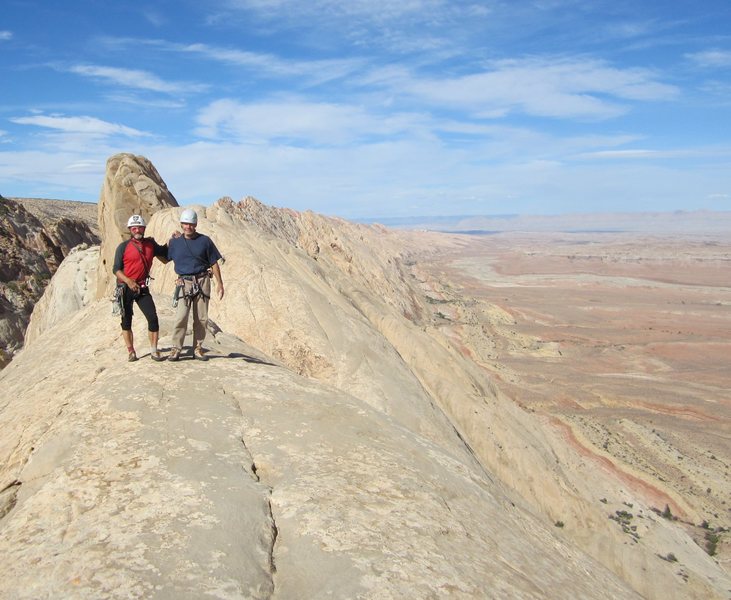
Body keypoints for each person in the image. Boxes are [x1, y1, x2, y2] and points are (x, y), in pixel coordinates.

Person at [167, 208, 224, 361]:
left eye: (191, 224)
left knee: (201, 318)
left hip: (202, 280)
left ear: (196, 224)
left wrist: (220, 283)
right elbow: (165, 257)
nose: (188, 227)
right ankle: (176, 348)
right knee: (181, 316)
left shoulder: (205, 241)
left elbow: (214, 263)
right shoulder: (175, 243)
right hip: (183, 282)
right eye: (185, 224)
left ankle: (198, 348)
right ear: (181, 224)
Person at [113, 214, 169, 362]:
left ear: (144, 228)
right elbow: (116, 269)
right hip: (125, 288)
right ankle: (131, 351)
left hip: (142, 288)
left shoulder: (150, 245)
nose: (137, 230)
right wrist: (129, 281)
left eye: (139, 227)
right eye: (134, 228)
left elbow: (165, 253)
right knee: (126, 321)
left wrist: (174, 240)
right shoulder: (123, 247)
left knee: (153, 318)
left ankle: (154, 351)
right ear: (130, 230)